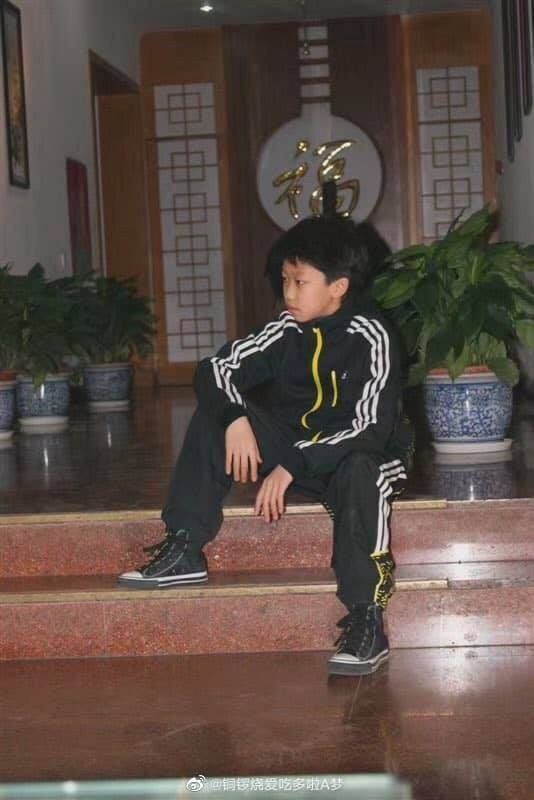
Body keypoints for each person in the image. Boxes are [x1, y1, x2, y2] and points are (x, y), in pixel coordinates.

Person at [119, 206, 412, 677]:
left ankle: (366, 619)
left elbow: (371, 429)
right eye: (284, 280)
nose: (288, 293)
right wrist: (235, 417)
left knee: (364, 470)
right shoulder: (286, 328)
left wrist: (294, 462)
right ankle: (186, 546)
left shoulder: (371, 335)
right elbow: (215, 369)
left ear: (338, 287)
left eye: (301, 282)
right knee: (216, 414)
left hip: (355, 457)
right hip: (295, 449)